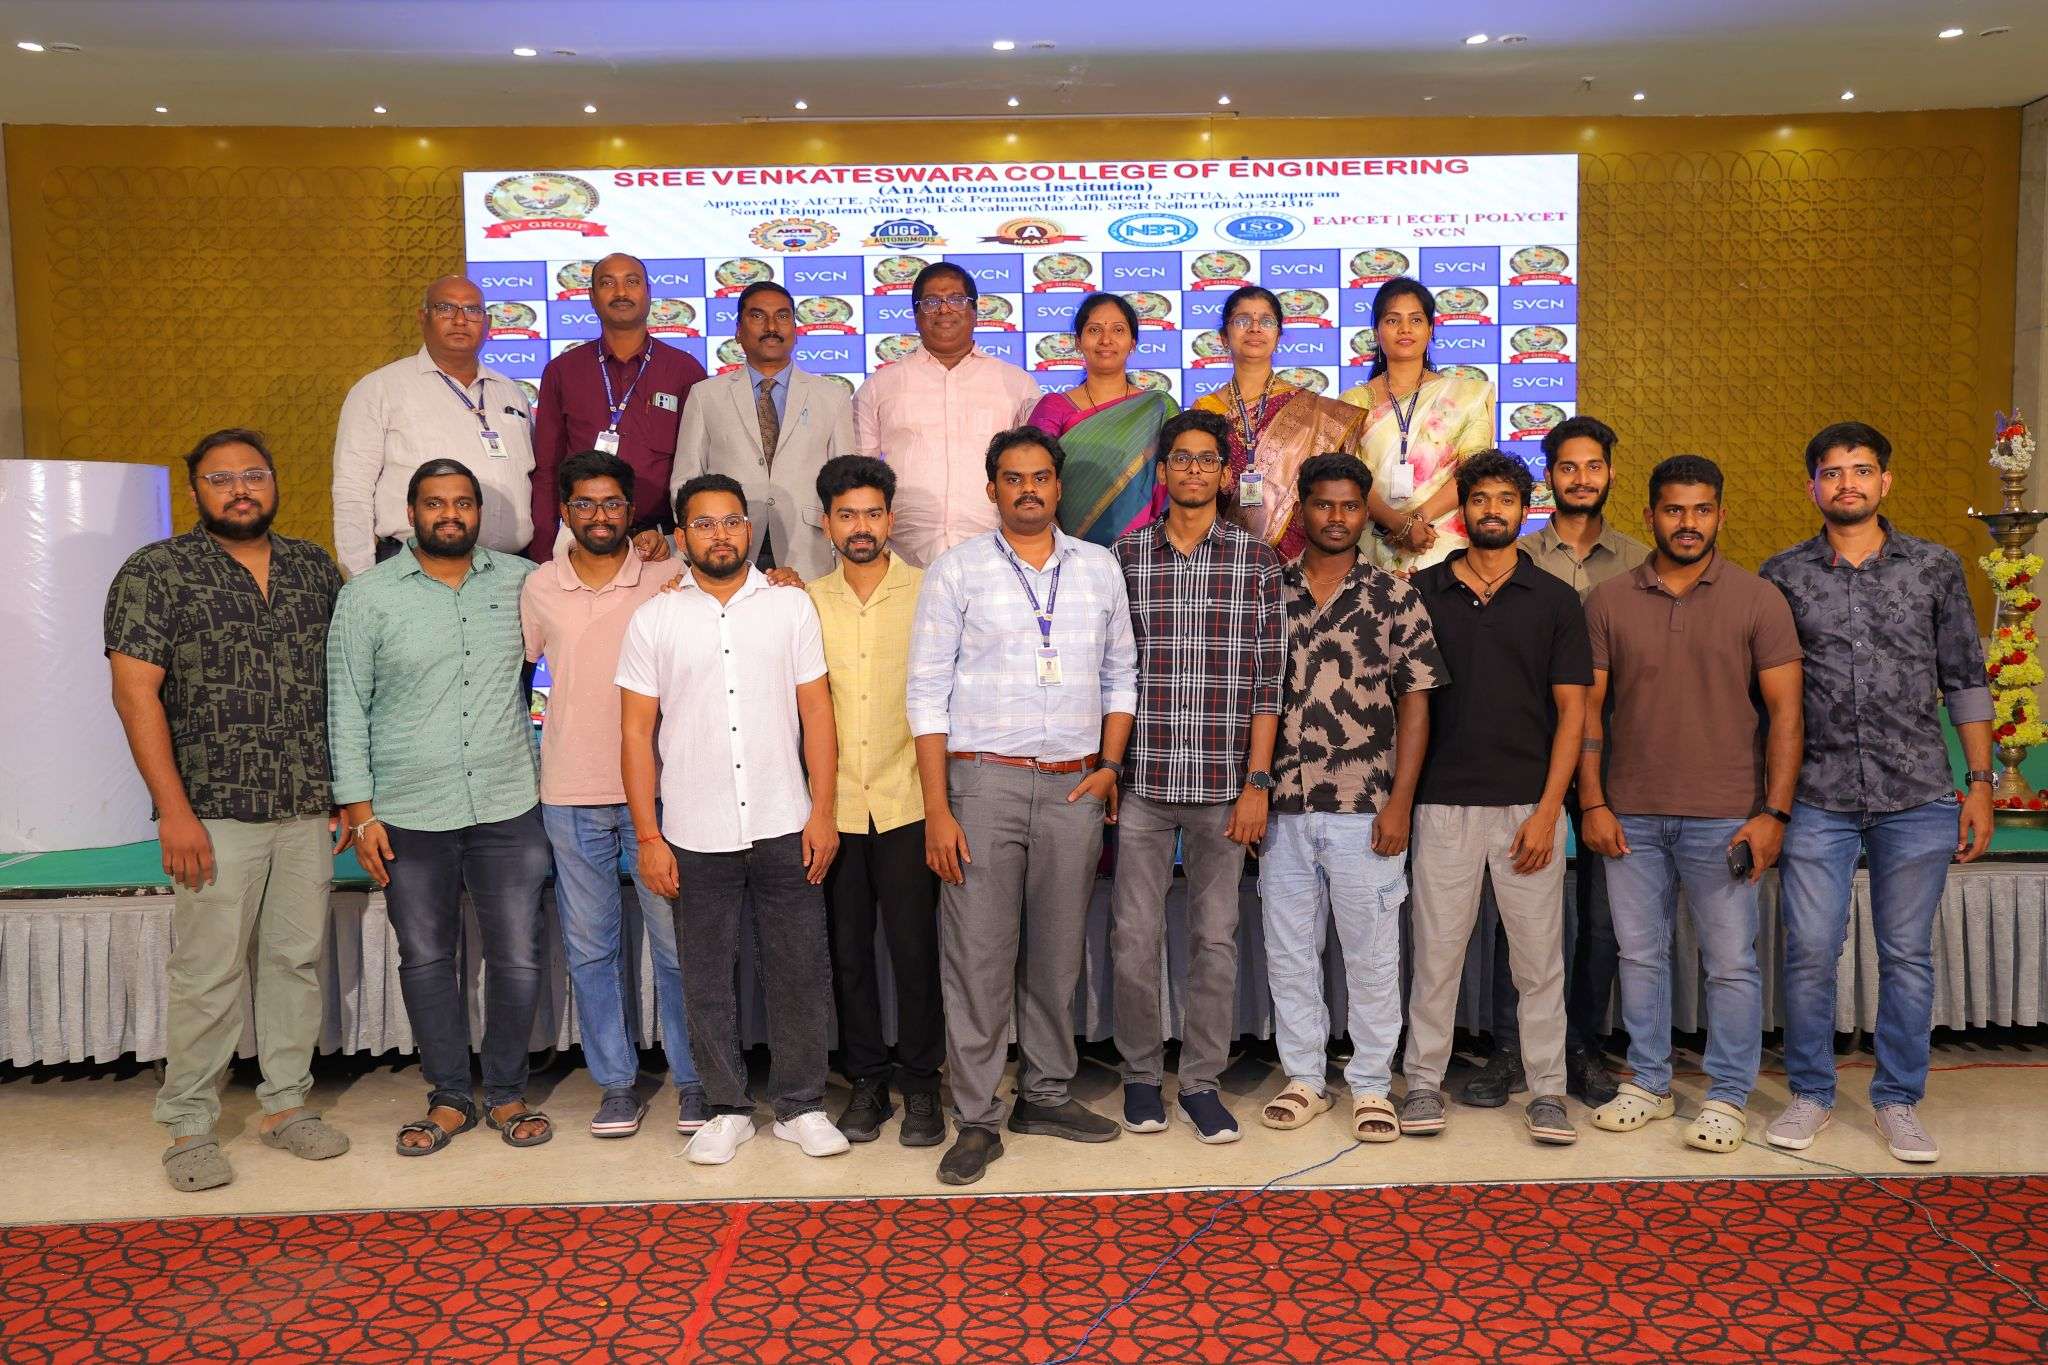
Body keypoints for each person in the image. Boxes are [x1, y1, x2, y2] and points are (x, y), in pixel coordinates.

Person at [105, 429, 351, 1192]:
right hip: (212, 810)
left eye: (254, 474)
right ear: (195, 492)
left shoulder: (314, 568)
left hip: (306, 804)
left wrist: (345, 792)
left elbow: (341, 685)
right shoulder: (157, 571)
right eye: (221, 478)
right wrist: (172, 811)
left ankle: (286, 1105)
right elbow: (134, 695)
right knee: (207, 973)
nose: (240, 489)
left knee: (294, 962)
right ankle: (189, 1125)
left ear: (274, 482)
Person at [906, 426, 1137, 1185]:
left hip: (1074, 785)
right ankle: (977, 1116)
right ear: (992, 488)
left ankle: (1044, 1095)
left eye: (1040, 477)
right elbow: (926, 695)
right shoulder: (957, 571)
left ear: (1058, 487)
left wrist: (1109, 767)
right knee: (977, 956)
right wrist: (938, 809)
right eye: (1013, 478)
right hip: (983, 784)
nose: (1028, 489)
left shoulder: (1099, 568)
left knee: (1058, 952)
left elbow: (1122, 677)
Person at [1762, 421, 1995, 1164]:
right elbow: (1762, 696)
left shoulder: (1934, 567)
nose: (1848, 484)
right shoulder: (1781, 575)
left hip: (1918, 793)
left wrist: (1980, 784)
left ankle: (1898, 1101)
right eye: (1832, 472)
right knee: (1809, 951)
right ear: (1812, 487)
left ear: (1885, 481)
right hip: (1815, 795)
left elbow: (1965, 678)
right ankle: (1811, 1093)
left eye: (1861, 470)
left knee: (1907, 955)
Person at [328, 458, 556, 1156]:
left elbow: (599, 601)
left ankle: (508, 1091)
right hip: (407, 809)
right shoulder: (367, 596)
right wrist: (360, 812)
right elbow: (346, 706)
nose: (449, 514)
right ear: (410, 513)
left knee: (518, 956)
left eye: (462, 502)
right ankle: (450, 1096)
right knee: (427, 958)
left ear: (479, 513)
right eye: (435, 503)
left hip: (507, 799)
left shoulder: (522, 581)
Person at [617, 473, 846, 1166]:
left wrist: (823, 811)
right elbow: (635, 733)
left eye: (732, 521)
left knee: (800, 970)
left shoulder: (789, 607)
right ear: (680, 536)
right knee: (706, 976)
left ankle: (801, 1105)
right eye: (704, 523)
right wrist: (649, 836)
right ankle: (725, 1107)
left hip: (785, 819)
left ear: (749, 529)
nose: (720, 534)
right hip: (694, 829)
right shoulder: (654, 618)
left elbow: (817, 712)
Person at [1579, 454, 1804, 1154]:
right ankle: (1649, 1082)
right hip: (1631, 814)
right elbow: (1588, 712)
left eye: (1702, 509)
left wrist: (1774, 813)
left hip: (1727, 815)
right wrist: (1593, 801)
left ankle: (1729, 1094)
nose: (1688, 522)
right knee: (1640, 955)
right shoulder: (1608, 600)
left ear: (1720, 515)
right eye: (1674, 509)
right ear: (1650, 515)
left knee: (1731, 962)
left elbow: (1787, 715)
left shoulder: (1758, 599)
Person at [1399, 451, 1590, 1147]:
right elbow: (1408, 706)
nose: (1491, 510)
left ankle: (1547, 1092)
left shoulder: (1555, 599)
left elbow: (1573, 714)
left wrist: (1549, 810)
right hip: (1442, 803)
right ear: (1462, 507)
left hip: (1527, 809)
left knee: (1538, 963)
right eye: (1479, 498)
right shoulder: (1422, 592)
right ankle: (1423, 1082)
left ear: (1524, 508)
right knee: (1436, 957)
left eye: (1505, 499)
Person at [1256, 452, 1444, 1143]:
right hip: (1283, 805)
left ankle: (1370, 1084)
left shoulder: (1394, 595)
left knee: (1370, 955)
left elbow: (1416, 705)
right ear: (1301, 508)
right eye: (1323, 504)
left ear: (1366, 513)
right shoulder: (1268, 592)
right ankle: (1305, 1077)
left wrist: (1400, 803)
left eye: (1350, 505)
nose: (1336, 517)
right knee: (1289, 951)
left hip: (1365, 807)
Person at [520, 449, 705, 1141]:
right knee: (592, 947)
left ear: (633, 511)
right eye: (585, 504)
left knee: (676, 947)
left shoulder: (668, 574)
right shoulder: (539, 586)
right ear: (565, 511)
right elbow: (523, 676)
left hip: (658, 792)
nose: (599, 516)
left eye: (612, 503)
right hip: (569, 791)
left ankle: (695, 1080)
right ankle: (617, 1085)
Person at [1109, 409, 1283, 1142]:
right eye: (1180, 458)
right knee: (1133, 938)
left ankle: (1203, 1082)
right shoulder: (1124, 557)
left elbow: (1268, 684)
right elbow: (1109, 673)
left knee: (1215, 940)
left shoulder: (1257, 560)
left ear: (1225, 472)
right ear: (1162, 470)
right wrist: (1109, 769)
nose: (1192, 470)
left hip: (1224, 789)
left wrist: (1257, 783)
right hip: (1143, 784)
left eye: (1207, 459)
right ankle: (1141, 1076)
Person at [1468, 415, 1649, 1111]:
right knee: (1515, 914)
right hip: (1528, 756)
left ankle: (1583, 1048)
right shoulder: (1512, 556)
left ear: (1610, 473)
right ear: (1548, 478)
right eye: (1567, 467)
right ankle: (1509, 1049)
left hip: (1612, 759)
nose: (1581, 478)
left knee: (1602, 917)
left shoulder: (1638, 560)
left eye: (1593, 466)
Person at [805, 456, 947, 1148]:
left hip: (908, 800)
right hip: (834, 809)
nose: (860, 527)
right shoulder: (803, 600)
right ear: (826, 523)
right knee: (848, 955)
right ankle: (865, 1080)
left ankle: (922, 1084)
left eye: (872, 513)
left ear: (891, 518)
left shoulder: (932, 591)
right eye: (847, 515)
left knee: (915, 952)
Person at [333, 275, 536, 577]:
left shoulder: (511, 392)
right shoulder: (380, 388)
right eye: (446, 308)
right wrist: (360, 578)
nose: (460, 320)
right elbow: (353, 490)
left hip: (509, 570)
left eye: (472, 310)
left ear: (488, 323)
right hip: (414, 568)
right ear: (423, 317)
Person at [853, 262, 1042, 566]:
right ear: (916, 315)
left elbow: (1033, 469)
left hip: (998, 555)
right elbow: (859, 478)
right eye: (931, 302)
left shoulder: (1018, 385)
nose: (944, 309)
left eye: (956, 299)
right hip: (902, 557)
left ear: (975, 311)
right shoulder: (879, 387)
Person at [672, 280, 857, 578]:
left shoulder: (832, 396)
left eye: (782, 316)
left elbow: (847, 486)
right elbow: (685, 480)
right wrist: (698, 540)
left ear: (795, 329)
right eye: (758, 316)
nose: (772, 326)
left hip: (808, 548)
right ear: (738, 330)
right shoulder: (705, 395)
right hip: (725, 547)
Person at [529, 253, 706, 561]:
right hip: (581, 541)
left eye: (632, 282)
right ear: (591, 296)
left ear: (649, 293)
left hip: (662, 543)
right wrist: (542, 552)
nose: (621, 292)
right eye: (608, 283)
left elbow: (700, 466)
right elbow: (547, 469)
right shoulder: (562, 371)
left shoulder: (684, 370)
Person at [1192, 286, 1370, 559]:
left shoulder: (1314, 410)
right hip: (1224, 558)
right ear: (1224, 337)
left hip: (1300, 559)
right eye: (1242, 320)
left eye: (1266, 321)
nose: (1254, 328)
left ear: (1278, 336)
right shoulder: (1205, 410)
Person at [1336, 278, 1496, 575]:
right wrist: (1397, 523)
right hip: (1373, 546)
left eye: (1416, 320)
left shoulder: (1466, 396)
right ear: (1377, 332)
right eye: (1392, 320)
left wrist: (1419, 518)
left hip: (1445, 546)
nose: (1405, 329)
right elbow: (1349, 479)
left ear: (1430, 329)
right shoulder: (1353, 402)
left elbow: (1474, 471)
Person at [1026, 291, 1180, 546]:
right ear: (1078, 342)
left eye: (1118, 330)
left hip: (1147, 551)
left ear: (1132, 342)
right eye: (1094, 330)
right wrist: (1065, 549)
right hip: (1069, 549)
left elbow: (1177, 483)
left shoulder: (1158, 407)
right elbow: (1033, 479)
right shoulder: (1053, 408)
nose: (1106, 340)